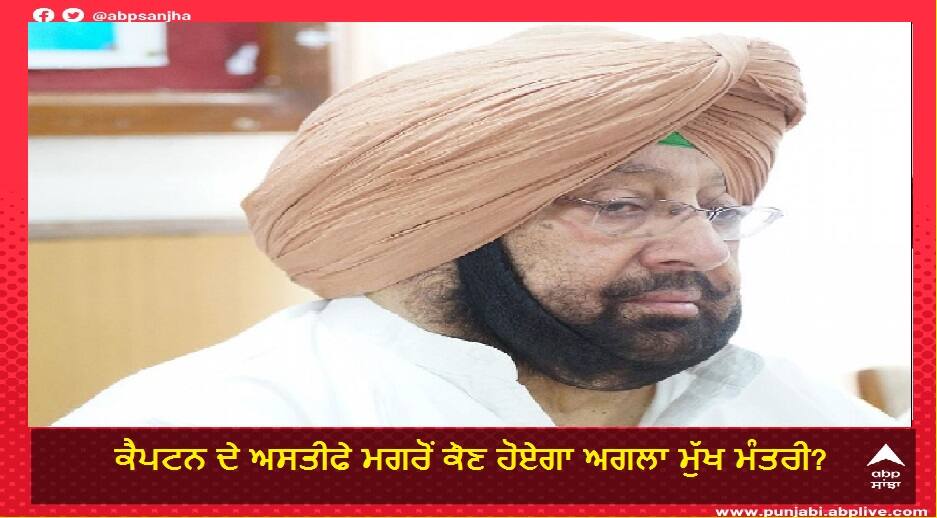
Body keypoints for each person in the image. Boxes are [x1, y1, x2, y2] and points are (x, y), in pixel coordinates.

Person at [55, 26, 896, 427]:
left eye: (719, 209)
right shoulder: (206, 427)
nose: (703, 250)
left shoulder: (795, 417)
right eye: (619, 206)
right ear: (442, 225)